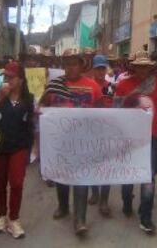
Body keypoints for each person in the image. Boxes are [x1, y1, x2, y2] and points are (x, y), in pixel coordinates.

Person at [40, 49, 102, 236]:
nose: (70, 67)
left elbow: (101, 114)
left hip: (84, 141)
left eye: (74, 63)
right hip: (60, 141)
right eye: (67, 64)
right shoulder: (54, 85)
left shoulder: (93, 86)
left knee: (81, 179)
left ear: (82, 66)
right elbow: (42, 107)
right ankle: (63, 206)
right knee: (62, 177)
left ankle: (80, 220)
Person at [115, 51, 157, 235]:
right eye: (139, 66)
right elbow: (117, 113)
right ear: (133, 67)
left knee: (148, 176)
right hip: (128, 138)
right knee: (129, 175)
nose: (142, 69)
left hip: (151, 137)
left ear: (150, 67)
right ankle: (127, 200)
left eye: (146, 66)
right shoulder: (122, 85)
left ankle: (146, 217)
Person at [0, 61, 35, 239]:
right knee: (0, 183)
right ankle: (2, 216)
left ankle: (14, 219)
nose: (7, 80)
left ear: (20, 79)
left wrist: (33, 148)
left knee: (17, 183)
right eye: (5, 77)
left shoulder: (29, 99)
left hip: (19, 146)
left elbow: (33, 124)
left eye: (11, 77)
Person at [87, 54, 114, 216]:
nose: (100, 71)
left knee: (107, 166)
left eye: (103, 68)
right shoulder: (87, 87)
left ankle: (104, 200)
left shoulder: (112, 87)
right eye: (98, 68)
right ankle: (95, 192)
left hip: (108, 131)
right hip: (90, 132)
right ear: (93, 69)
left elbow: (117, 107)